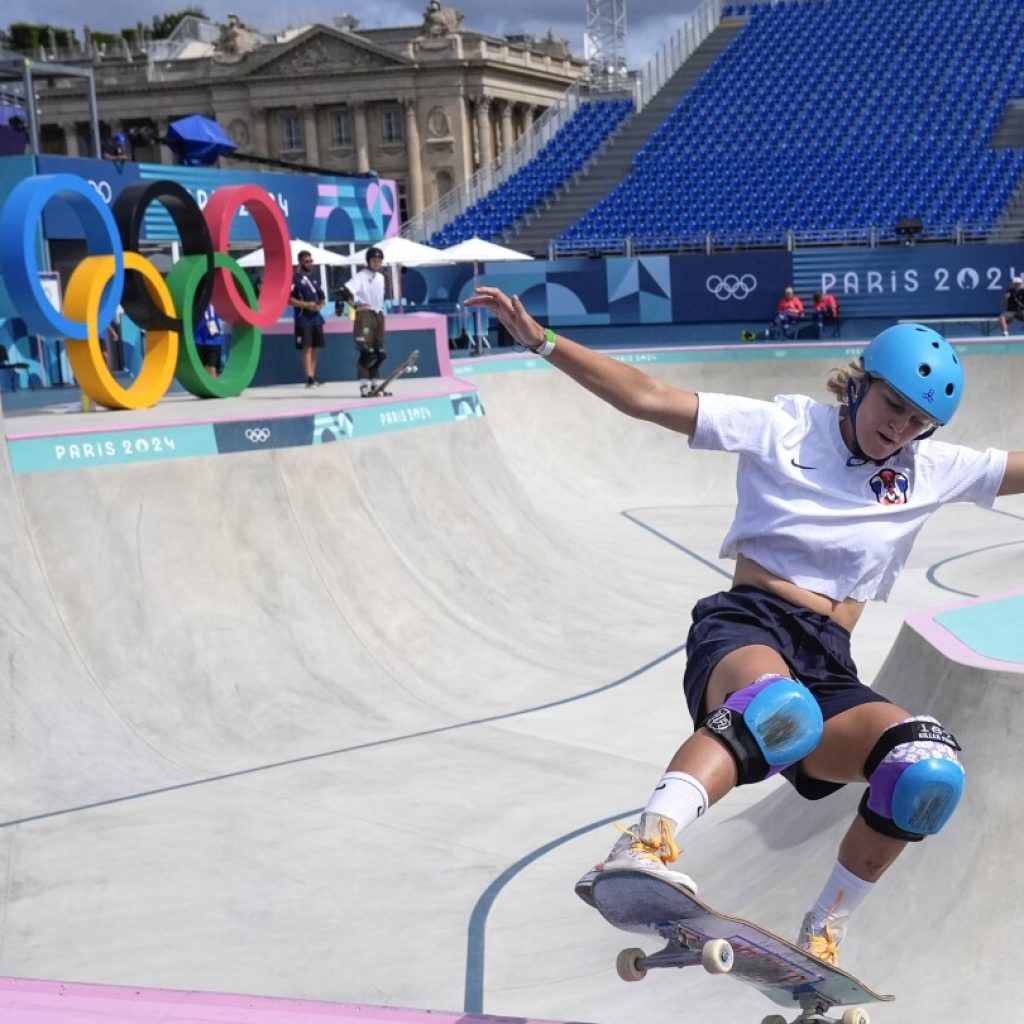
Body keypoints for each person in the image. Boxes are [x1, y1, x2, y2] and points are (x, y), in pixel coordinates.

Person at [464, 286, 1024, 969]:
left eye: (916, 423)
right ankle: (644, 842)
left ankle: (824, 930)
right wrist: (540, 341)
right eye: (891, 406)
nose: (898, 430)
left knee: (926, 768)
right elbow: (646, 396)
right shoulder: (782, 428)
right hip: (748, 625)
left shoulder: (929, 470)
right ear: (860, 381)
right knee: (774, 708)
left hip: (831, 661)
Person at [349, 246, 387, 397]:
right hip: (365, 315)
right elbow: (345, 291)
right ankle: (364, 386)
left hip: (378, 314)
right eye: (374, 260)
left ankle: (375, 385)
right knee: (367, 352)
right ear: (368, 261)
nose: (377, 263)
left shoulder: (381, 277)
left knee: (379, 352)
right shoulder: (361, 276)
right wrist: (356, 305)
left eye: (379, 260)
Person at [290, 249, 326, 387]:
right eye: (307, 261)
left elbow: (322, 296)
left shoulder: (314, 278)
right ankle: (309, 377)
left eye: (311, 261)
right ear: (300, 262)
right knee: (307, 347)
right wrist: (305, 305)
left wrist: (319, 305)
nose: (310, 263)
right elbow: (289, 299)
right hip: (303, 318)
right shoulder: (295, 279)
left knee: (315, 346)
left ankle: (314, 374)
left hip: (316, 318)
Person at [193, 302, 224, 378]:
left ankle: (211, 386)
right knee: (212, 366)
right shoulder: (214, 303)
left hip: (200, 340)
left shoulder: (195, 303)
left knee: (204, 367)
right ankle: (213, 386)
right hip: (213, 340)